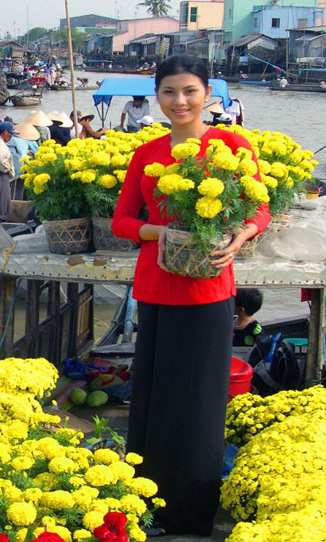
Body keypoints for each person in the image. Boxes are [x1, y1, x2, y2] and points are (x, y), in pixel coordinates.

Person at [111, 54, 269, 536]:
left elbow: (259, 209)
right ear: (157, 97)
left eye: (189, 91)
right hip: (156, 289)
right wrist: (157, 230)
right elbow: (121, 222)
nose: (179, 102)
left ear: (208, 95)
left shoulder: (231, 145)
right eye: (169, 92)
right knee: (155, 400)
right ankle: (148, 504)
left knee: (200, 403)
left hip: (208, 289)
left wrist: (240, 236)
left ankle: (192, 513)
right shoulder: (146, 153)